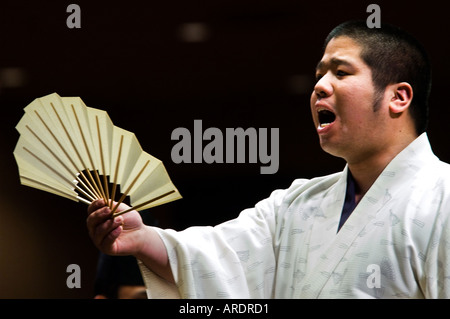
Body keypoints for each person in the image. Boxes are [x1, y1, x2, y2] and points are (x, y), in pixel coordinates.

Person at [86, 20, 450, 298]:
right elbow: (219, 256)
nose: (320, 86)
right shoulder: (296, 203)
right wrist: (141, 238)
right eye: (319, 75)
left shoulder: (443, 197)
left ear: (398, 97)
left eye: (341, 72)